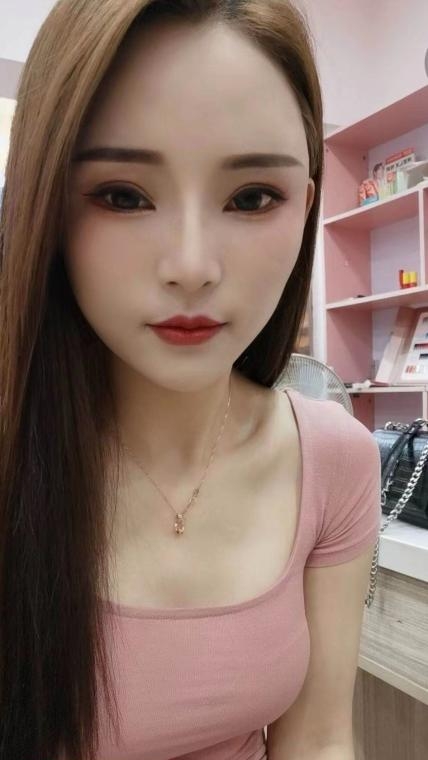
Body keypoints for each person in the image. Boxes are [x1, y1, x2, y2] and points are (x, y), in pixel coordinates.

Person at [0, 1, 381, 759]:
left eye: (252, 198)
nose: (192, 267)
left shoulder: (335, 458)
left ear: (305, 208)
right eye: (122, 194)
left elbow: (318, 739)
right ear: (46, 204)